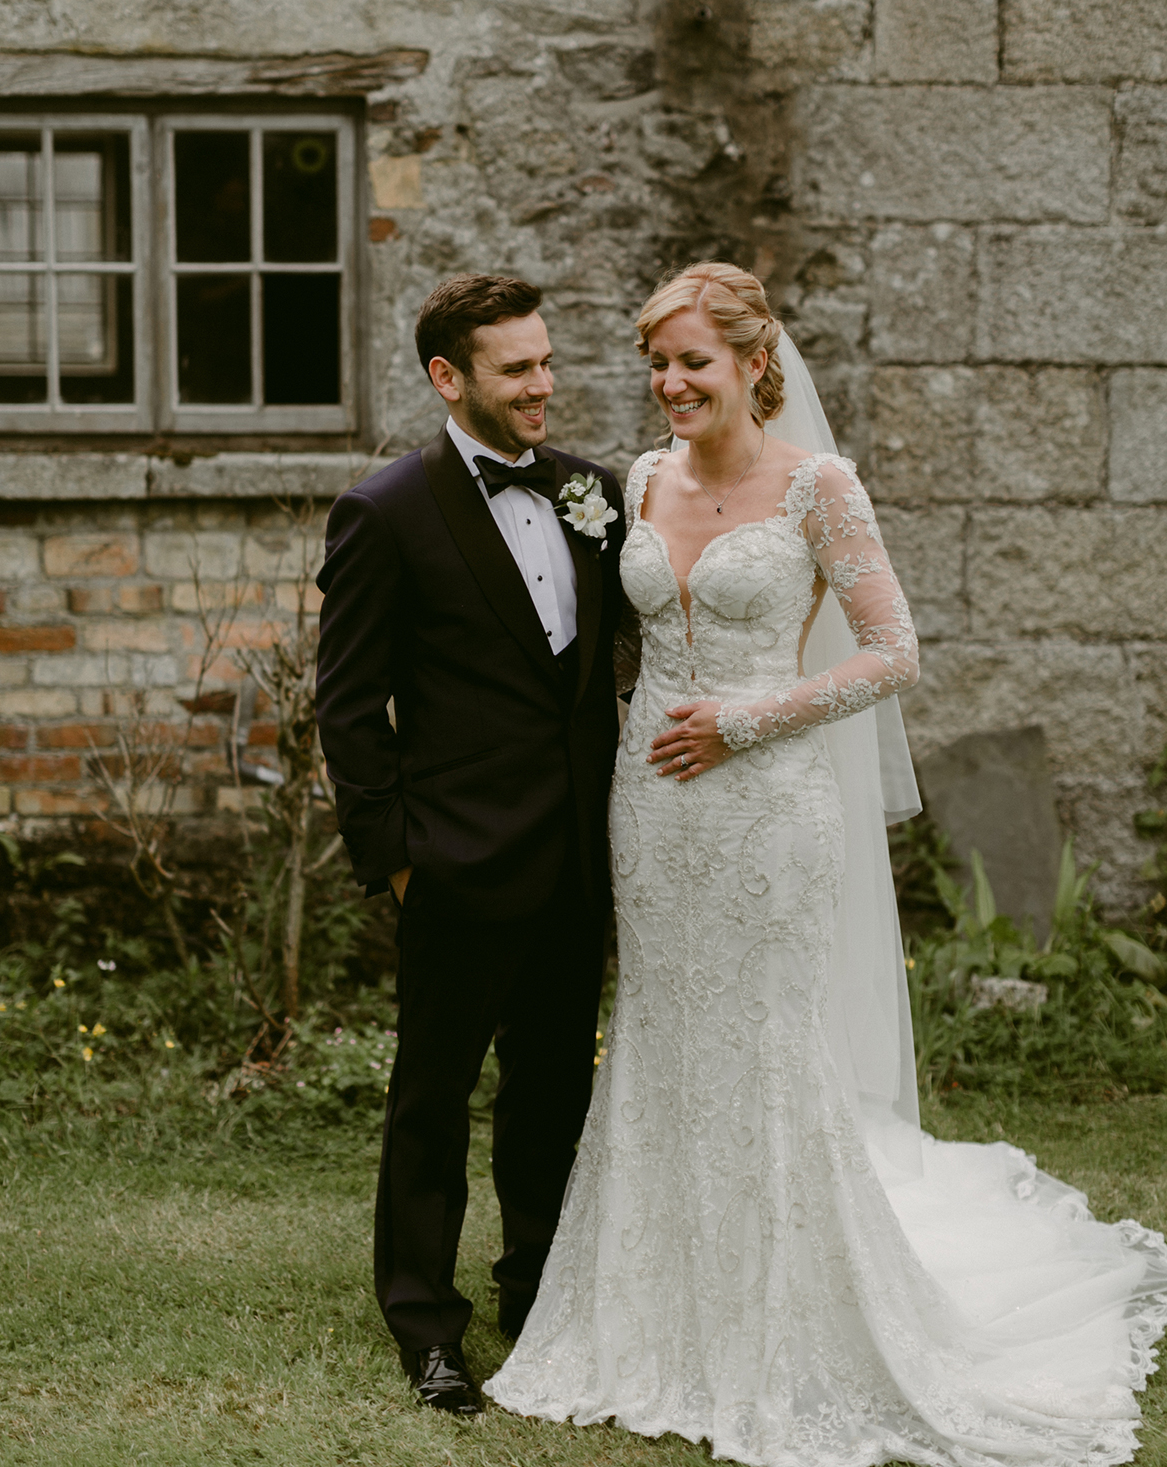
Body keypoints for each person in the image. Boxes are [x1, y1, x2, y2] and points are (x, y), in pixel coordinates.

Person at [486, 261, 1167, 1466]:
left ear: (758, 364)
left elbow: (893, 654)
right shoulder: (638, 480)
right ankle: (652, 1309)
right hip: (649, 804)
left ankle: (786, 1317)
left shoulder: (819, 488)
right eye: (659, 362)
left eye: (695, 360)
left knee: (760, 1036)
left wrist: (749, 720)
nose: (671, 383)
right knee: (660, 1027)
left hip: (767, 800)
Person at [315, 273, 627, 1418]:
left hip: (579, 862)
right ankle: (425, 1319)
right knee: (433, 1096)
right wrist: (396, 857)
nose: (544, 384)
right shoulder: (385, 512)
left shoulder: (597, 493)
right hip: (454, 861)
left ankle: (535, 1284)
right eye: (518, 369)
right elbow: (348, 710)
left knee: (552, 1087)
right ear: (451, 379)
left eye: (547, 361)